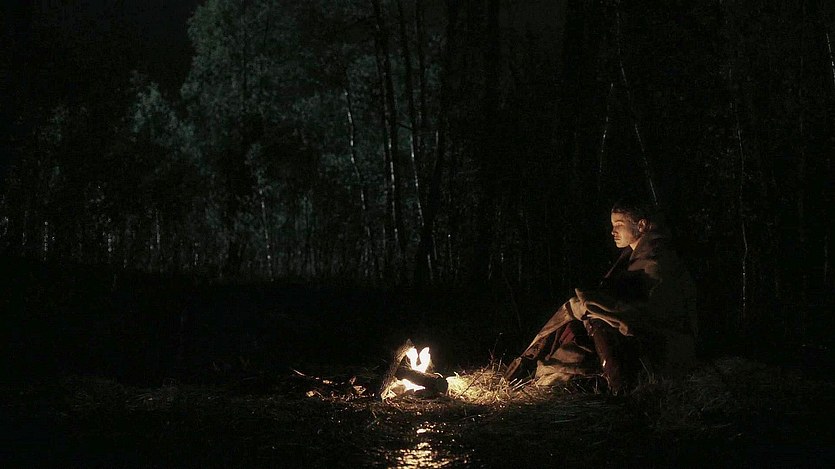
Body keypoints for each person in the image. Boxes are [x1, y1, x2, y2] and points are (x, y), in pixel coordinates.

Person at [504, 199, 698, 394]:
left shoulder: (658, 261)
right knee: (576, 320)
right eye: (612, 225)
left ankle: (619, 387)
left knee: (593, 317)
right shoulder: (633, 257)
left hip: (660, 347)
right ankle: (530, 369)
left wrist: (602, 309)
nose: (613, 232)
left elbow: (657, 313)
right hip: (636, 340)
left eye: (619, 225)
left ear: (641, 225)